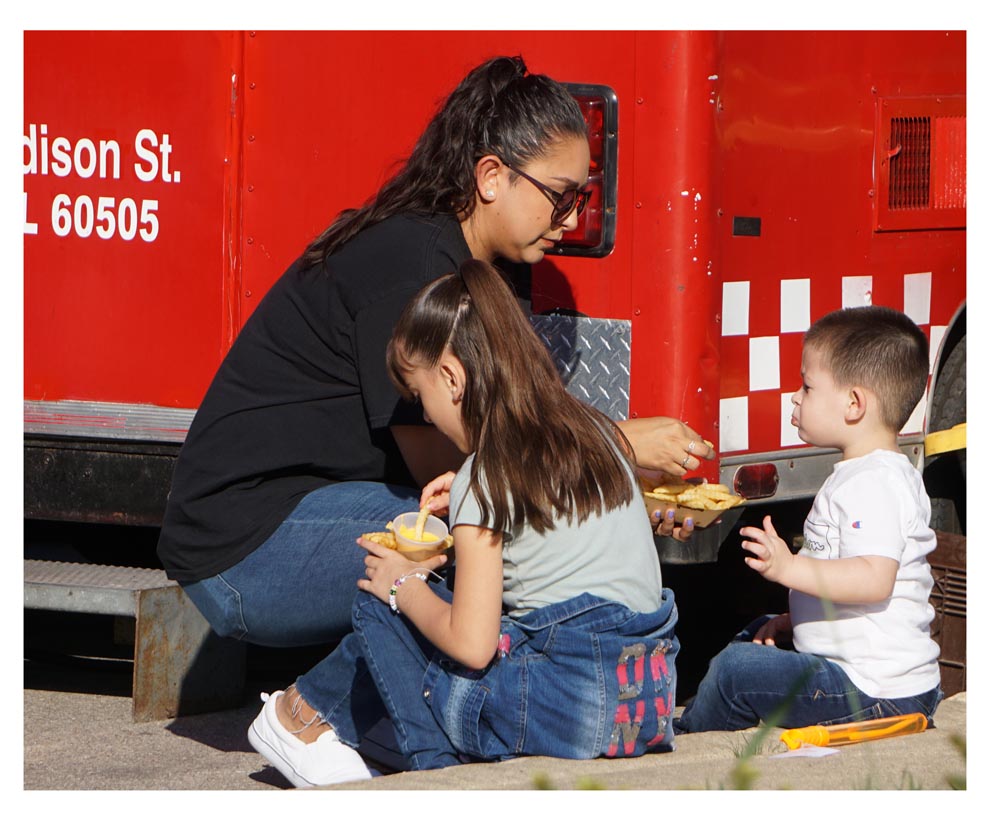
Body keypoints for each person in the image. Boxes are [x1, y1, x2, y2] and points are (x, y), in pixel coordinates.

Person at [156, 55, 709, 783]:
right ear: (490, 178)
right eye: (558, 196)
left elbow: (507, 452)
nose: (571, 219)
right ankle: (306, 713)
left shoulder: (488, 268)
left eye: (580, 199)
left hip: (324, 512)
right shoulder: (414, 264)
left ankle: (423, 720)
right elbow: (460, 467)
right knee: (466, 537)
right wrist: (614, 446)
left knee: (481, 531)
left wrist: (616, 501)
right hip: (246, 547)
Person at [250, 258, 678, 780]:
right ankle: (325, 720)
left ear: (452, 378)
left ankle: (439, 774)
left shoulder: (485, 477)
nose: (425, 414)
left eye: (419, 396)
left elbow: (473, 646)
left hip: (569, 715)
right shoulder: (600, 435)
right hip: (643, 706)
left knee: (379, 602)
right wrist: (473, 497)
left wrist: (403, 586)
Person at [675, 305, 943, 734]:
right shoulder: (871, 473)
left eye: (807, 385)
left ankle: (694, 748)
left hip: (874, 690)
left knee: (736, 670)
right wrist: (792, 622)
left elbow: (874, 579)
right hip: (867, 676)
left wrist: (790, 568)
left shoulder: (872, 483)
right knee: (758, 633)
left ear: (854, 404)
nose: (796, 397)